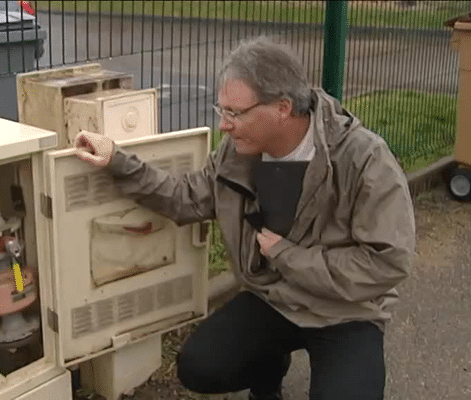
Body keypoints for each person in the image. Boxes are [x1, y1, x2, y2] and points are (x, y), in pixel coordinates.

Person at [73, 36, 415, 400]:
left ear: (282, 107)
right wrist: (117, 162)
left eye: (235, 113)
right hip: (274, 298)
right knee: (199, 367)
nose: (224, 126)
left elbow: (386, 261)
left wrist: (287, 255)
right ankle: (268, 379)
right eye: (222, 111)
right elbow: (186, 198)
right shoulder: (238, 154)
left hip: (345, 311)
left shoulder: (365, 159)